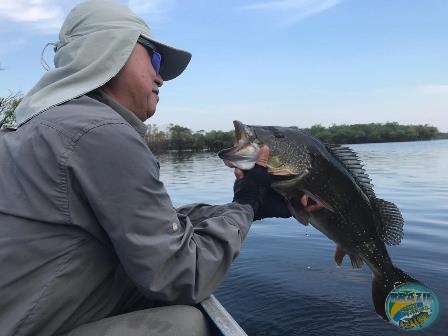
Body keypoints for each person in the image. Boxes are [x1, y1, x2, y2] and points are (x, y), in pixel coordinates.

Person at [0, 1, 320, 335]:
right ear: (109, 49)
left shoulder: (40, 129)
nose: (161, 75)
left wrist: (248, 209)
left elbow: (153, 229)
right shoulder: (99, 132)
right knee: (184, 324)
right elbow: (183, 275)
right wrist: (247, 203)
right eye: (154, 58)